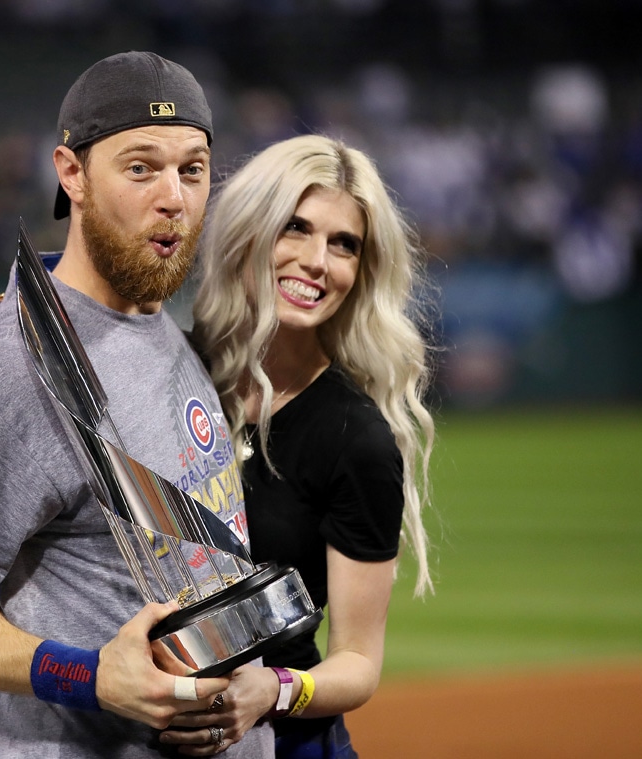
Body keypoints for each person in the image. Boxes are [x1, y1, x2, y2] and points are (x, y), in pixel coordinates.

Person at [0, 51, 275, 758]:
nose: (173, 195)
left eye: (192, 169)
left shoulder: (163, 330)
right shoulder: (5, 374)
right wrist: (86, 676)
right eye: (140, 167)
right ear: (72, 173)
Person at [162, 134, 437, 758]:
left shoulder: (354, 437)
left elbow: (359, 663)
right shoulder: (166, 372)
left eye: (345, 245)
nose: (318, 261)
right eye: (296, 228)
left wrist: (277, 689)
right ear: (251, 232)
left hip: (285, 745)